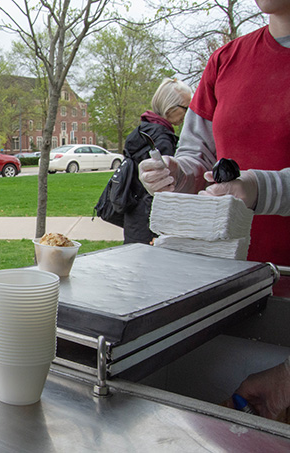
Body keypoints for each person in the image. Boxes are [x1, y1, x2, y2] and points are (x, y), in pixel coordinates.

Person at [138, 0, 290, 265]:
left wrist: (259, 189)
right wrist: (178, 174)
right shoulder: (225, 61)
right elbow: (198, 157)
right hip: (228, 278)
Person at [119, 78, 192, 244]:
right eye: (185, 108)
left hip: (133, 216)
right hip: (150, 222)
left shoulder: (142, 131)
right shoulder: (162, 140)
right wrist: (157, 229)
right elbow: (159, 188)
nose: (187, 114)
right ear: (170, 106)